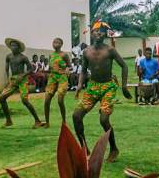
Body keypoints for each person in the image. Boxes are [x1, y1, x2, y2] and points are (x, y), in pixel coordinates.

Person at [73, 21, 132, 162]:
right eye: (96, 31)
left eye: (101, 31)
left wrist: (124, 86)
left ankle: (113, 148)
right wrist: (80, 84)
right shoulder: (86, 51)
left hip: (108, 87)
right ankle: (84, 148)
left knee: (104, 120)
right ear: (91, 34)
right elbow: (83, 70)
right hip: (92, 88)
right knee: (76, 116)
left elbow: (124, 66)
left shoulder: (110, 50)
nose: (98, 33)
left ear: (105, 34)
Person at [0, 38, 45, 128]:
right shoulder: (8, 56)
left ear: (19, 48)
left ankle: (37, 121)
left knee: (25, 100)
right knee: (1, 98)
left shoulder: (23, 57)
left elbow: (30, 69)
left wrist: (23, 76)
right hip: (13, 80)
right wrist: (8, 78)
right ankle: (8, 121)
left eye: (15, 45)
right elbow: (6, 68)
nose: (13, 47)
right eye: (11, 45)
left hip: (23, 80)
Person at [43, 37, 72, 127]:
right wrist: (44, 71)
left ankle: (64, 122)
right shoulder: (51, 55)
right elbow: (51, 68)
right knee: (47, 100)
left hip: (62, 78)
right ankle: (47, 123)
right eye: (54, 42)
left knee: (60, 100)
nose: (55, 43)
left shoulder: (64, 55)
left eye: (58, 42)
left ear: (61, 44)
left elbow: (70, 66)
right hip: (52, 78)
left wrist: (67, 69)